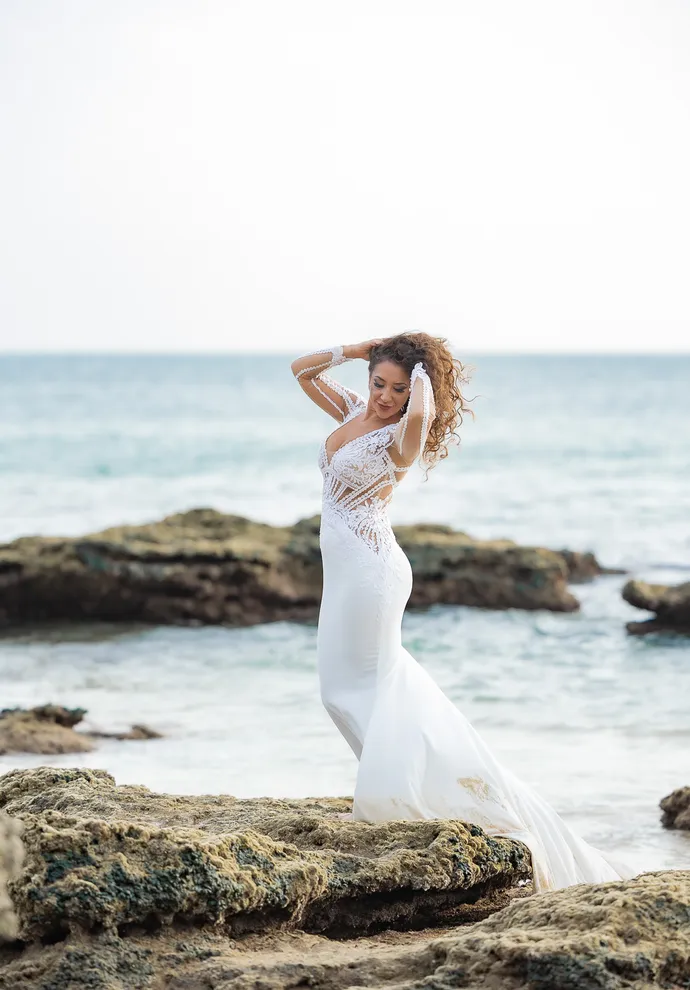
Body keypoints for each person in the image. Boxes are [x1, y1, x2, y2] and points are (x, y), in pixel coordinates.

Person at [290, 332, 632, 891]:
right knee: (340, 689)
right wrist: (361, 350)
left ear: (411, 393)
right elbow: (302, 371)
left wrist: (421, 378)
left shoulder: (402, 437)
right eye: (379, 384)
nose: (384, 396)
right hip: (347, 573)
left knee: (366, 686)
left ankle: (397, 798)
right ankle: (406, 788)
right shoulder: (354, 408)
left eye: (397, 390)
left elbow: (421, 423)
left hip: (373, 574)